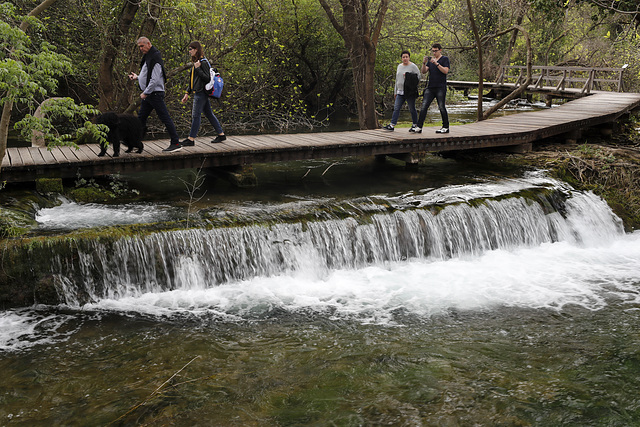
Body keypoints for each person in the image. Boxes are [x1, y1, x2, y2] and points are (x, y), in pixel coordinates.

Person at [128, 37, 182, 152]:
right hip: (149, 95)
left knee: (165, 118)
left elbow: (155, 79)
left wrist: (145, 93)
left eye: (142, 46)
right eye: (139, 47)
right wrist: (137, 77)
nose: (141, 49)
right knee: (140, 119)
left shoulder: (155, 57)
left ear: (148, 44)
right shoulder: (148, 56)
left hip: (154, 94)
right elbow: (146, 75)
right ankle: (135, 143)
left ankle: (176, 143)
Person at [180, 41, 226, 145]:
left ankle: (191, 139)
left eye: (191, 49)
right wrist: (187, 93)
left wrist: (198, 69)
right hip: (198, 92)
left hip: (201, 93)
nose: (189, 51)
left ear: (196, 49)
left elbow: (207, 78)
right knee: (209, 114)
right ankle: (221, 135)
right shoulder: (197, 62)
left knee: (196, 115)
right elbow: (193, 80)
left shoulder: (203, 63)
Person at [413, 43, 450, 134]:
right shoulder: (431, 60)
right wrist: (424, 63)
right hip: (430, 87)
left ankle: (445, 127)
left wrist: (437, 64)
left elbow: (445, 71)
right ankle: (419, 126)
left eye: (435, 51)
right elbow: (424, 71)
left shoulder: (445, 59)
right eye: (433, 51)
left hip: (440, 87)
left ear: (440, 50)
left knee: (441, 107)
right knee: (424, 107)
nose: (434, 53)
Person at [383, 50, 421, 132]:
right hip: (400, 91)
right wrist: (395, 91)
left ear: (409, 57)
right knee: (396, 108)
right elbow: (397, 80)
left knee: (412, 108)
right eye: (403, 57)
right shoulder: (399, 66)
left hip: (409, 91)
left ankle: (415, 124)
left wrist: (408, 77)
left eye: (406, 57)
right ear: (401, 58)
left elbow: (418, 77)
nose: (405, 58)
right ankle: (392, 125)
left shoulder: (413, 66)